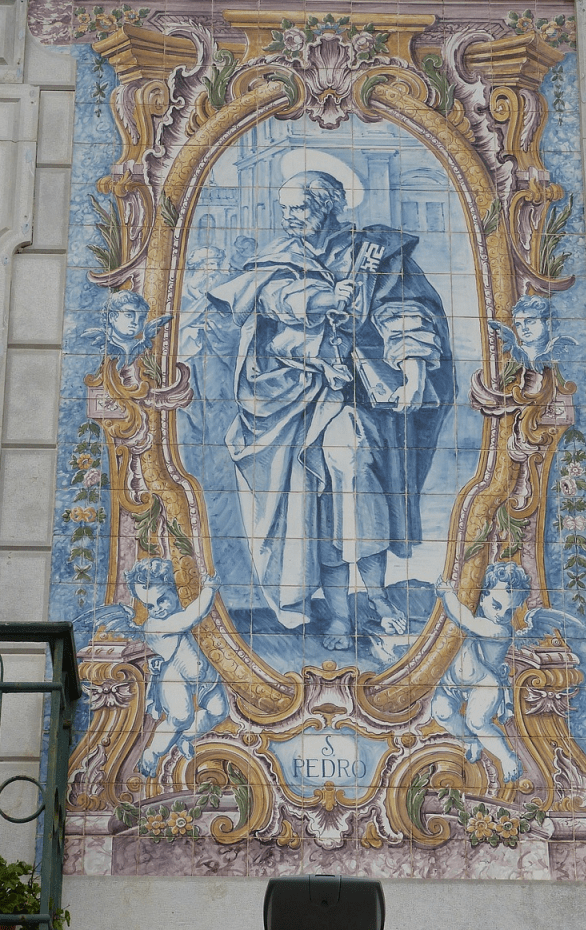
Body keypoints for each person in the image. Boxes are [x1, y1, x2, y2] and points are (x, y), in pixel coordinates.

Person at [208, 170, 454, 650]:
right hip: (290, 399)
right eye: (284, 208)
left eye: (298, 207)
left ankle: (376, 597)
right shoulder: (279, 256)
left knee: (354, 472)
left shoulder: (374, 250)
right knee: (314, 505)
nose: (289, 216)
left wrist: (413, 371)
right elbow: (270, 301)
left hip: (354, 396)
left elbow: (406, 310)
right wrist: (324, 302)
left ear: (327, 205)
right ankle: (340, 614)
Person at [100, 558, 229, 777]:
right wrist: (210, 588)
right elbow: (191, 616)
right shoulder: (156, 625)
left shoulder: (172, 615)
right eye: (149, 606)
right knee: (180, 717)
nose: (157, 609)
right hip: (174, 676)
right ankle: (152, 753)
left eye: (162, 600)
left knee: (218, 711)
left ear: (173, 589)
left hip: (202, 674)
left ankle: (187, 737)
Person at [432, 562, 530, 782]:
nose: (501, 615)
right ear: (482, 597)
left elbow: (467, 621)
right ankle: (471, 741)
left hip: (484, 685)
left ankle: (507, 758)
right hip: (454, 681)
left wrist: (447, 594)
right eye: (497, 606)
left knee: (478, 722)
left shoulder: (499, 630)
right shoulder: (484, 616)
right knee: (442, 712)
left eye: (510, 611)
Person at [488, 294, 576, 372]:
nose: (524, 328)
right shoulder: (515, 353)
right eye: (518, 324)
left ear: (548, 324)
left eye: (529, 321)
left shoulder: (561, 349)